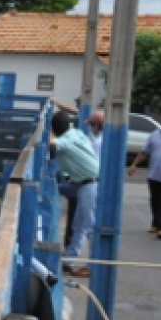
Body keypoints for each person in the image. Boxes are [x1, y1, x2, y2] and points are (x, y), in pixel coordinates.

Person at [51, 110, 100, 277]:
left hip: (89, 184)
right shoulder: (76, 133)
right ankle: (69, 261)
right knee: (79, 226)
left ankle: (94, 266)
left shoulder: (66, 140)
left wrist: (49, 134)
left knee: (90, 226)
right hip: (86, 183)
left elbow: (52, 143)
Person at [128, 124, 161, 240]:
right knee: (155, 199)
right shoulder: (155, 135)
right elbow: (145, 152)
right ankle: (156, 223)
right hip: (154, 174)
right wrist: (134, 164)